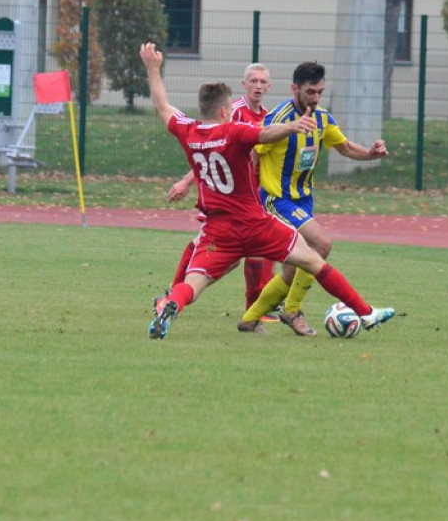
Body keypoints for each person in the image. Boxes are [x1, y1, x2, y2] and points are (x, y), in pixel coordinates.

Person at [138, 42, 394, 340]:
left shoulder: (188, 132)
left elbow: (162, 107)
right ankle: (365, 312)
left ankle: (172, 304)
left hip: (218, 228)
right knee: (314, 259)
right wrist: (293, 126)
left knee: (194, 283)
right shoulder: (233, 131)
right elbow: (265, 132)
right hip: (255, 221)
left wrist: (153, 69)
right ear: (225, 110)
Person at [237, 61, 391, 336]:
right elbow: (252, 153)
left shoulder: (322, 118)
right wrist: (243, 196)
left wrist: (370, 153)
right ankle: (292, 310)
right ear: (294, 88)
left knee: (292, 269)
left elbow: (343, 146)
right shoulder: (278, 118)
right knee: (321, 243)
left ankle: (250, 318)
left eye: (320, 92)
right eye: (310, 92)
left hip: (303, 201)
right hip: (276, 200)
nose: (316, 98)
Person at [165, 63, 276, 318]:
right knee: (209, 246)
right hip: (224, 196)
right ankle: (173, 295)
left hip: (252, 196)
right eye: (253, 81)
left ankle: (256, 308)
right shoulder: (233, 113)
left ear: (269, 86)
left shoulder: (267, 117)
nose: (258, 86)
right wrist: (186, 181)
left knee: (258, 250)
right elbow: (210, 149)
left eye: (262, 82)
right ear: (244, 84)